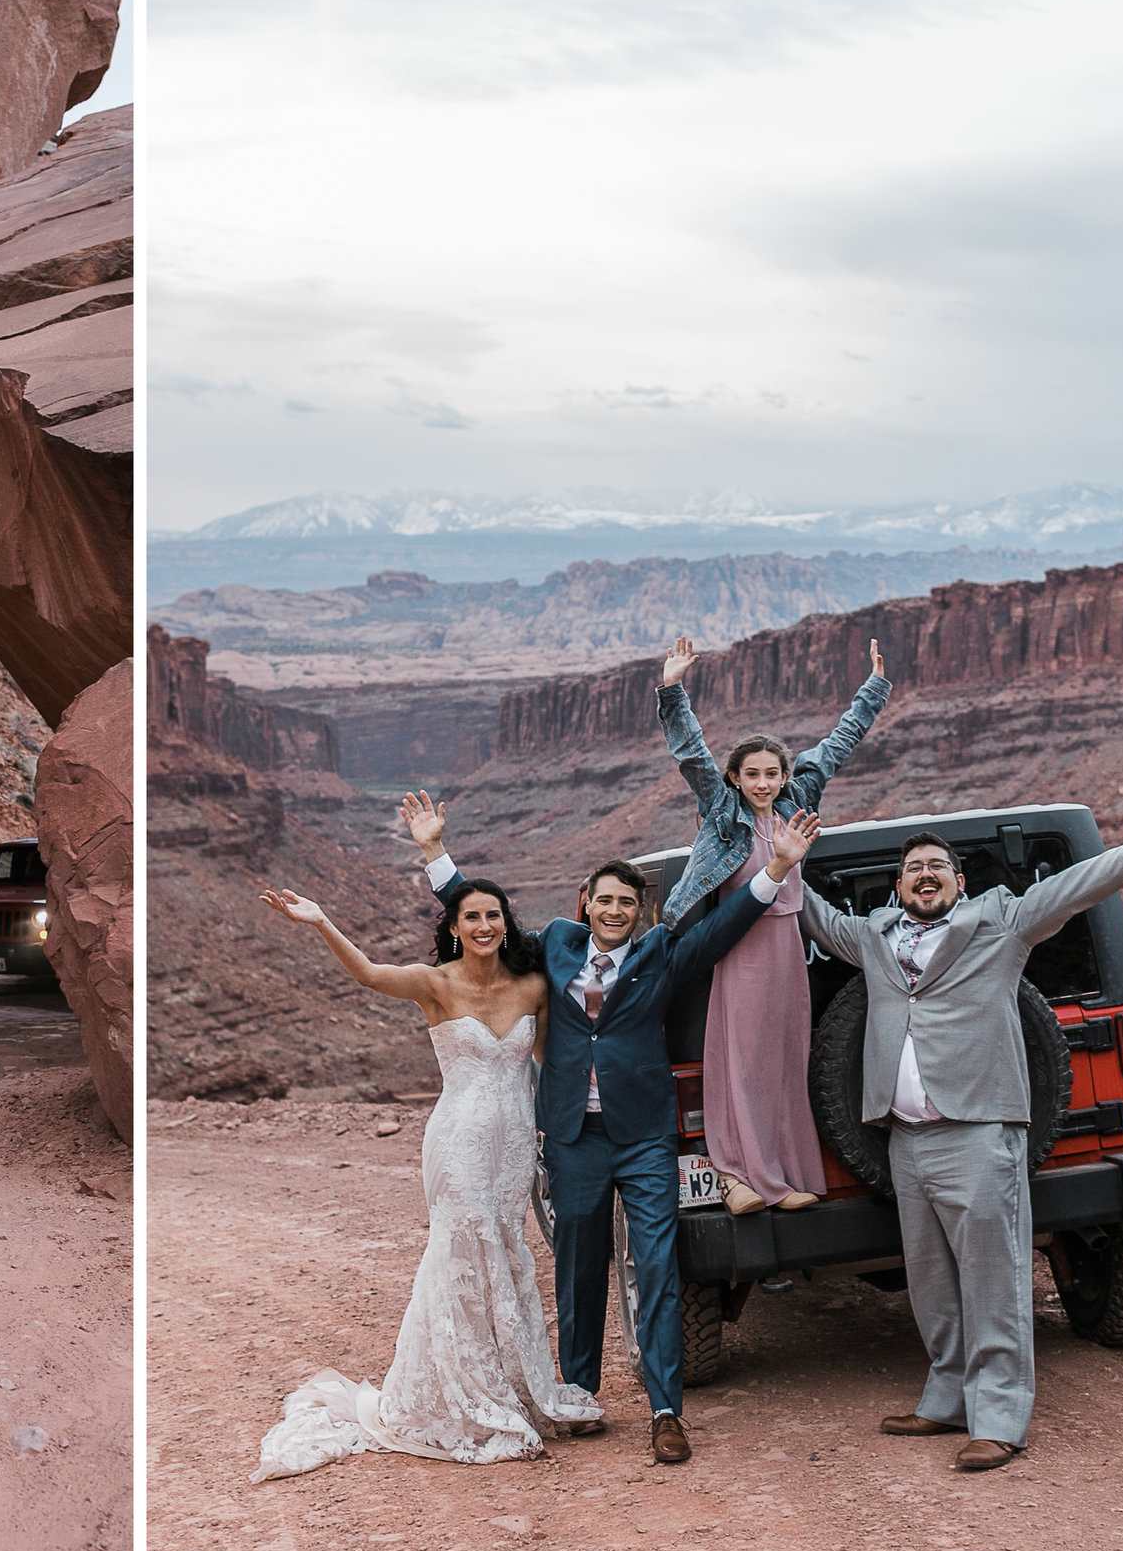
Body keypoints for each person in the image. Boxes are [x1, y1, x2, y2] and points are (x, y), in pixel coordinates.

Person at [404, 792, 820, 1464]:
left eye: (628, 902)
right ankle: (579, 1394)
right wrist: (434, 852)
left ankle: (665, 1410)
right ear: (585, 904)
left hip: (644, 1136)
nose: (616, 911)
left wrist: (775, 870)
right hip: (574, 1139)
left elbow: (723, 930)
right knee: (578, 1268)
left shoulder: (660, 953)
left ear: (641, 911)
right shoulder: (557, 950)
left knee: (655, 1265)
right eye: (605, 901)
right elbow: (487, 925)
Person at [797, 794, 1123, 1472]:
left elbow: (1074, 886)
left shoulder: (1000, 921)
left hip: (979, 1131)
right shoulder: (873, 936)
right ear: (898, 886)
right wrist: (778, 862)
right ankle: (946, 1397)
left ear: (959, 881)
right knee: (931, 1281)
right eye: (912, 868)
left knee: (994, 1278)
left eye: (937, 865)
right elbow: (816, 914)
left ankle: (999, 1418)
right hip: (905, 1138)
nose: (924, 874)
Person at [248, 876, 603, 1480]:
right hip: (458, 1141)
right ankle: (462, 1397)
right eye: (472, 917)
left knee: (506, 1251)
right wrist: (320, 920)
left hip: (515, 1143)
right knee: (461, 1250)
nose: (485, 926)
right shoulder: (434, 983)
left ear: (506, 924)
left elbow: (556, 1061)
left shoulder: (535, 986)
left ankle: (515, 1385)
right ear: (455, 927)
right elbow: (367, 972)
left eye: (494, 916)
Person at [655, 633, 892, 1215]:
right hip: (740, 949)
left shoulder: (795, 800)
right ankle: (738, 1176)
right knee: (740, 1060)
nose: (763, 783)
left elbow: (838, 744)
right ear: (735, 777)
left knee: (788, 1058)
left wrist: (875, 688)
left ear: (785, 776)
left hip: (788, 945)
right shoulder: (723, 809)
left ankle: (783, 1174)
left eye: (772, 773)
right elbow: (690, 753)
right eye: (752, 773)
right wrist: (671, 688)